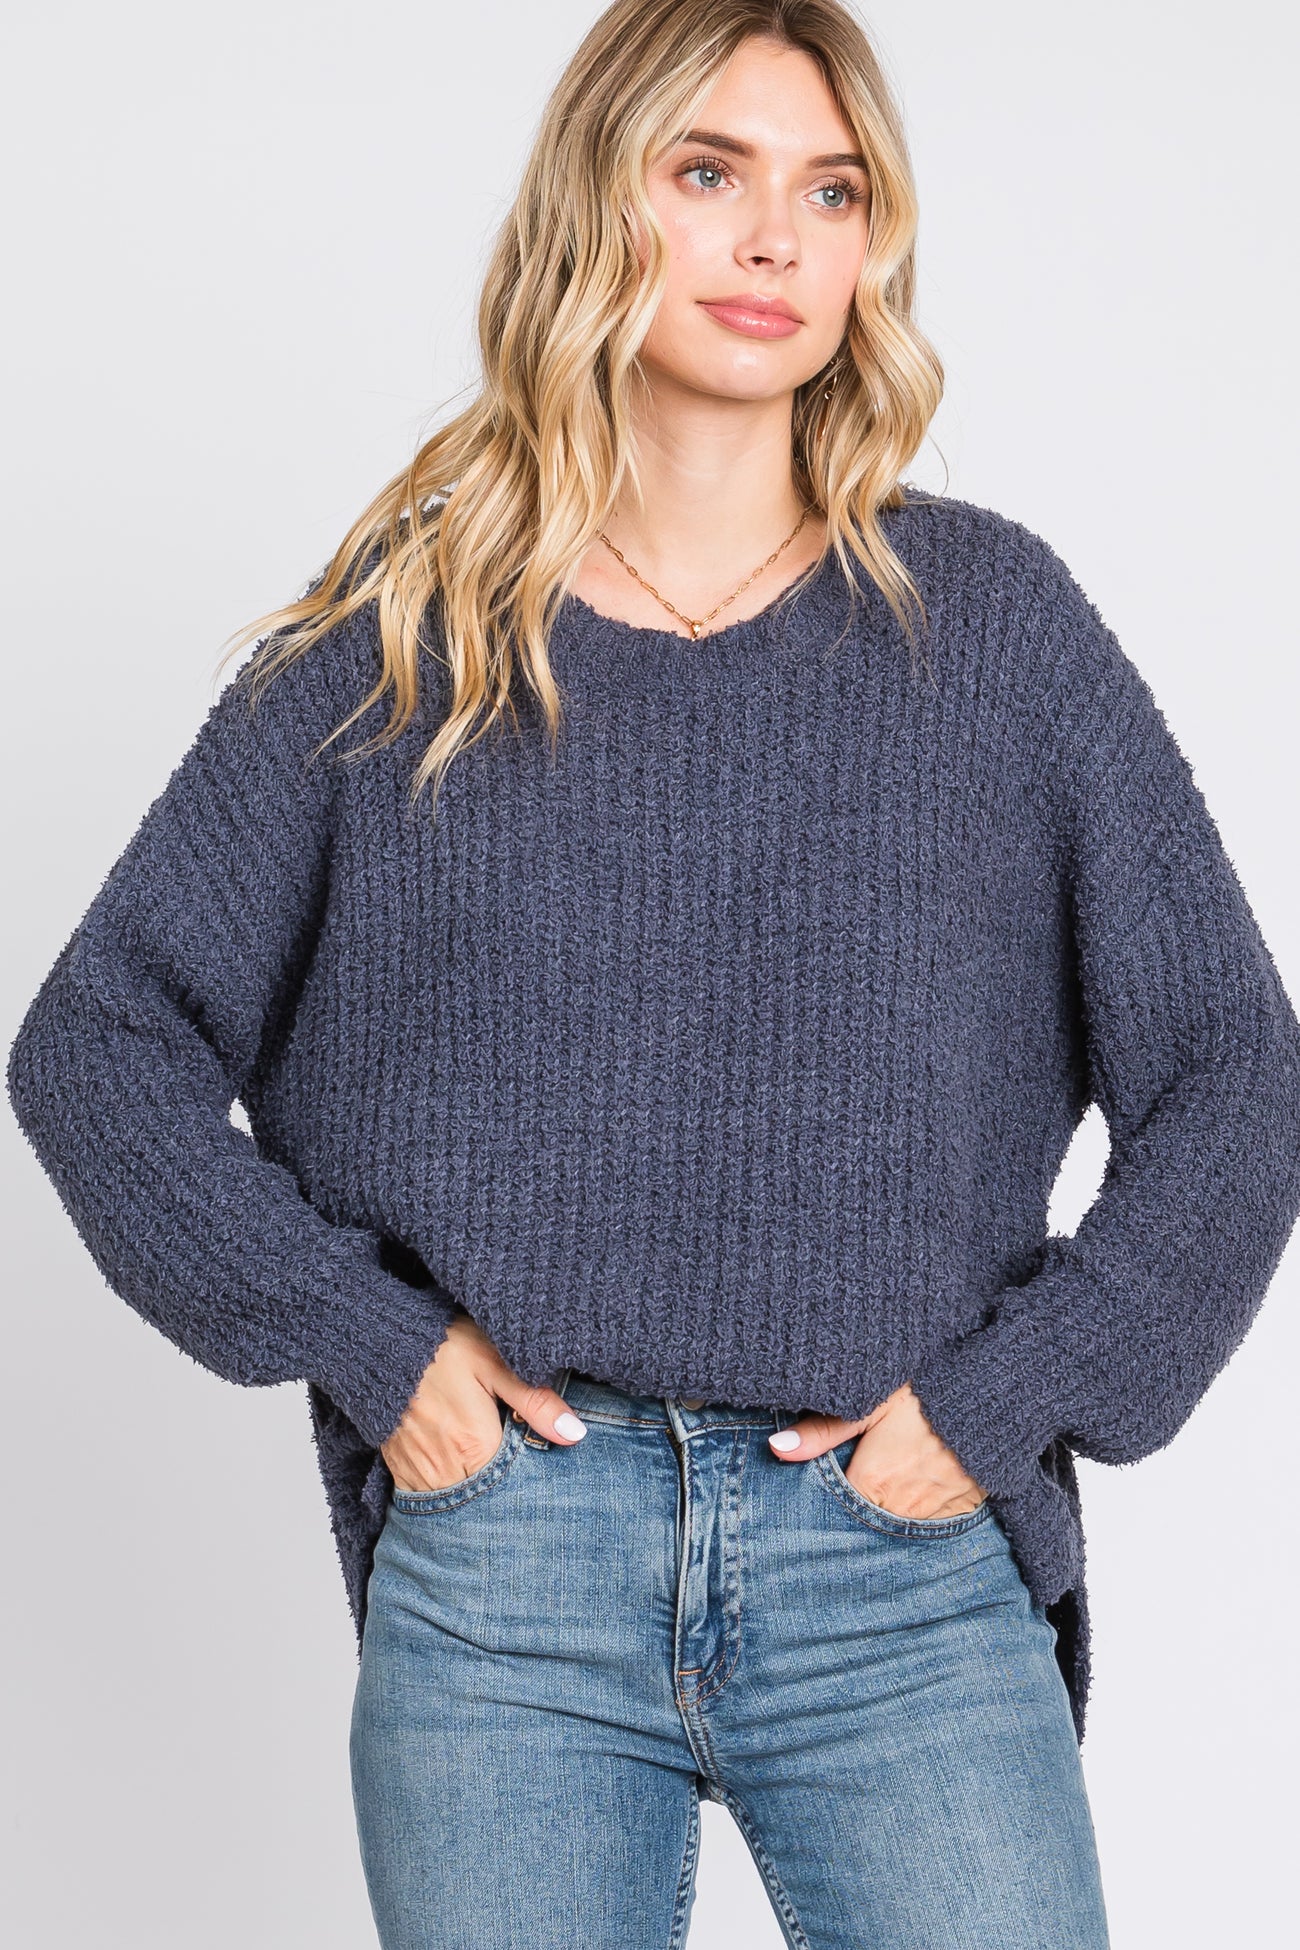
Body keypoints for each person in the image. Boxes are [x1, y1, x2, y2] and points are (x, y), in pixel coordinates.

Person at [8, 2, 1300, 1945]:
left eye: (830, 192)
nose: (774, 237)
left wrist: (1011, 1396)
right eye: (709, 173)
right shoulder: (403, 648)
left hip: (895, 1564)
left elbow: (1232, 1068)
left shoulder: (992, 633)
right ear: (594, 203)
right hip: (511, 1570)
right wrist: (373, 1350)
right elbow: (98, 1042)